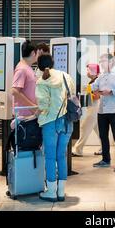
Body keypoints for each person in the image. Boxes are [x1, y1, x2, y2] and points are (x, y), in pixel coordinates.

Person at [35, 54, 76, 202]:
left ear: (39, 66)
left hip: (50, 123)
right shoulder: (66, 76)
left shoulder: (42, 81)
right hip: (67, 122)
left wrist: (35, 113)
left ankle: (51, 192)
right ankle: (61, 192)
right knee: (61, 156)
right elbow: (72, 95)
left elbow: (43, 105)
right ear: (52, 63)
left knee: (50, 157)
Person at [91, 53, 115, 172]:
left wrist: (111, 91)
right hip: (102, 111)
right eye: (100, 61)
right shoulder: (101, 75)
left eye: (103, 61)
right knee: (103, 136)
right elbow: (94, 86)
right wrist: (92, 85)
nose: (101, 63)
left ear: (111, 62)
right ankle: (106, 160)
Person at [72, 63, 102, 157]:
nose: (87, 72)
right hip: (95, 108)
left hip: (94, 108)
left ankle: (78, 150)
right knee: (99, 130)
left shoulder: (96, 81)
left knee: (84, 128)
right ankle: (104, 148)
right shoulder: (94, 81)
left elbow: (97, 96)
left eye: (88, 70)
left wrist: (85, 96)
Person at [11, 41, 38, 128]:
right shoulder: (22, 69)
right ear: (33, 53)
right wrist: (32, 106)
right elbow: (15, 91)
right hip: (24, 117)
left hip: (29, 115)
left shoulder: (27, 67)